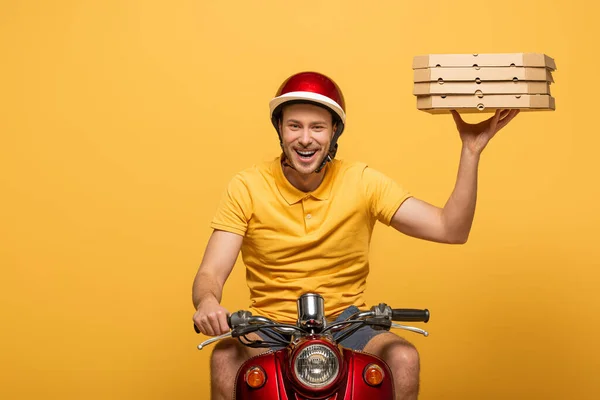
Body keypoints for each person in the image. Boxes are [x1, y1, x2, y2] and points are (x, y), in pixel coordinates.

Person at [192, 71, 519, 400]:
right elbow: (210, 273)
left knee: (404, 358)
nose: (305, 139)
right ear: (280, 129)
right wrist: (208, 302)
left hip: (348, 324)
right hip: (270, 324)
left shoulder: (362, 182)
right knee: (224, 358)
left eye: (317, 127)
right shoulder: (247, 186)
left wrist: (471, 150)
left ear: (334, 131)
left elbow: (451, 228)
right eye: (295, 126)